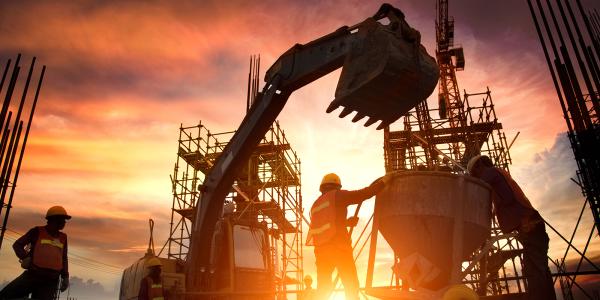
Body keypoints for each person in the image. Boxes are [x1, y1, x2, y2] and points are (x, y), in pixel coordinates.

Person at [467, 155, 556, 300]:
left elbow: (476, 187)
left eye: (475, 173)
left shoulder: (490, 173)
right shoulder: (498, 177)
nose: (477, 176)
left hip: (529, 225)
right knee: (536, 268)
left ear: (479, 166)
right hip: (531, 226)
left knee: (536, 269)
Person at [307, 173, 391, 300]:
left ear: (322, 187)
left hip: (321, 252)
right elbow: (362, 194)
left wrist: (346, 223)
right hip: (339, 247)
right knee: (351, 284)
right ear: (337, 186)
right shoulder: (337, 195)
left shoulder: (316, 205)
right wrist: (384, 182)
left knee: (323, 288)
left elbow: (326, 224)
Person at [0, 206, 71, 300]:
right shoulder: (37, 232)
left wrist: (65, 277)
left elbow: (64, 258)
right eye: (62, 219)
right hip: (33, 275)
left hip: (51, 281)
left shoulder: (63, 237)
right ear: (54, 219)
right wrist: (25, 257)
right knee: (5, 296)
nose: (64, 222)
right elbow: (17, 245)